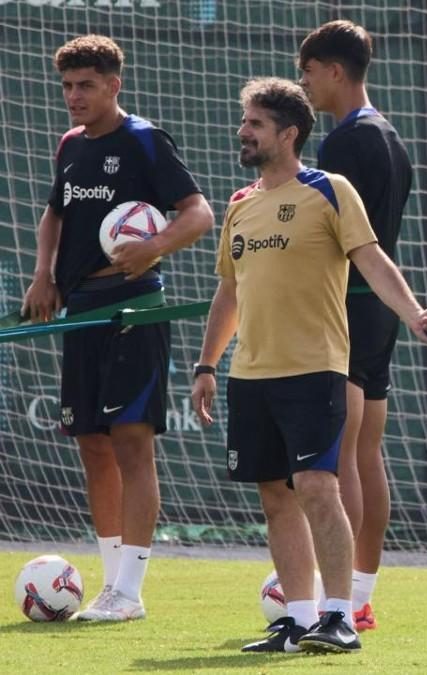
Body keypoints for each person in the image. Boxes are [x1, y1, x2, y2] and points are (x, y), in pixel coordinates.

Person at [189, 77, 427, 654]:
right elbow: (229, 293)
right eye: (244, 121)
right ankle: (298, 619)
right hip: (250, 374)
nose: (242, 131)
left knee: (316, 486)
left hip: (316, 368)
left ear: (289, 132)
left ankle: (340, 615)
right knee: (275, 496)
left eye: (254, 123)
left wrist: (412, 312)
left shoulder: (330, 189)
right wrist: (207, 364)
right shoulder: (239, 204)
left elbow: (372, 261)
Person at [21, 34, 213, 621]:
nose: (74, 97)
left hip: (135, 308)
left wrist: (152, 246)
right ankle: (109, 584)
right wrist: (43, 275)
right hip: (81, 309)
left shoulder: (145, 141)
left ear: (114, 85)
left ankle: (129, 592)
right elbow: (55, 213)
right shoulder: (71, 145)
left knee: (132, 442)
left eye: (86, 86)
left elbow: (200, 213)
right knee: (91, 444)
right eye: (68, 87)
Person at [297, 20, 414, 632]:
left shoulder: (342, 145)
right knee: (368, 451)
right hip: (378, 311)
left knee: (343, 455)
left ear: (336, 71)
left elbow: (333, 239)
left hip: (343, 307)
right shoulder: (391, 136)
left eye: (309, 72)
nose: (304, 83)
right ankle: (363, 594)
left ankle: (340, 598)